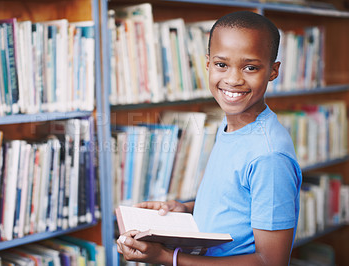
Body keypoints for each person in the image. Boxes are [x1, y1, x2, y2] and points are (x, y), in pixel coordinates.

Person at [117, 10, 302, 266]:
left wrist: (168, 258)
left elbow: (271, 261)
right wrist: (186, 208)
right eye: (221, 64)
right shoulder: (230, 126)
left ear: (273, 70)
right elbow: (236, 201)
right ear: (207, 63)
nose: (233, 79)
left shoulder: (269, 156)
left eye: (250, 67)